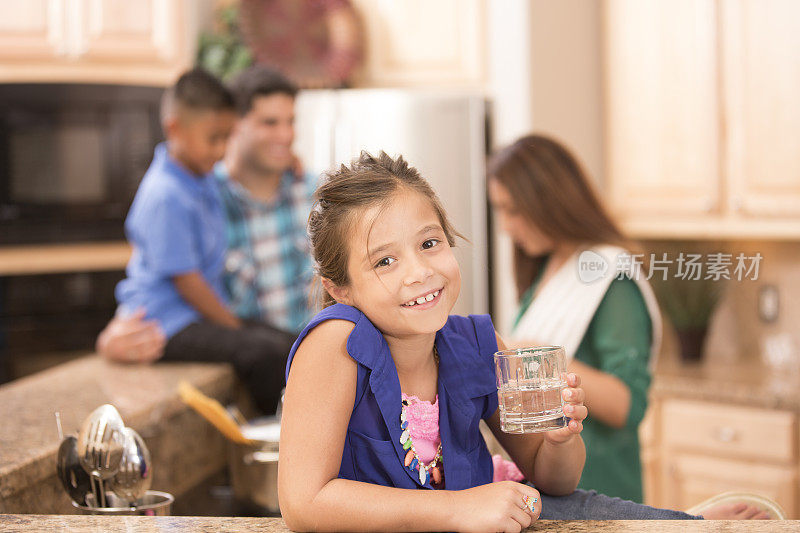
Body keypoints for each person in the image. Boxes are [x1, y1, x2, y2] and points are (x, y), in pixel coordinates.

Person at [278, 151, 706, 532]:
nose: (419, 271)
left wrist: (561, 440)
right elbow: (303, 503)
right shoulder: (336, 342)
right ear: (340, 289)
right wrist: (456, 508)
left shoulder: (479, 344)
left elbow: (553, 480)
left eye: (429, 243)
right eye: (385, 261)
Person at [486, 134, 770, 520]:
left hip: (600, 486)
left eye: (513, 210)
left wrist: (545, 360)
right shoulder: (544, 272)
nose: (505, 226)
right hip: (546, 488)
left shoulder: (609, 279)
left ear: (547, 201)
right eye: (499, 211)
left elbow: (628, 405)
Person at [112, 67, 298, 414]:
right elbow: (188, 282)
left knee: (292, 343)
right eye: (213, 138)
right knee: (261, 353)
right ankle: (274, 431)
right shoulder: (165, 194)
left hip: (193, 316)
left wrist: (289, 161)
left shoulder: (199, 175)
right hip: (163, 325)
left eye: (227, 137)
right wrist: (233, 326)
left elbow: (241, 171)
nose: (221, 149)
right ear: (174, 129)